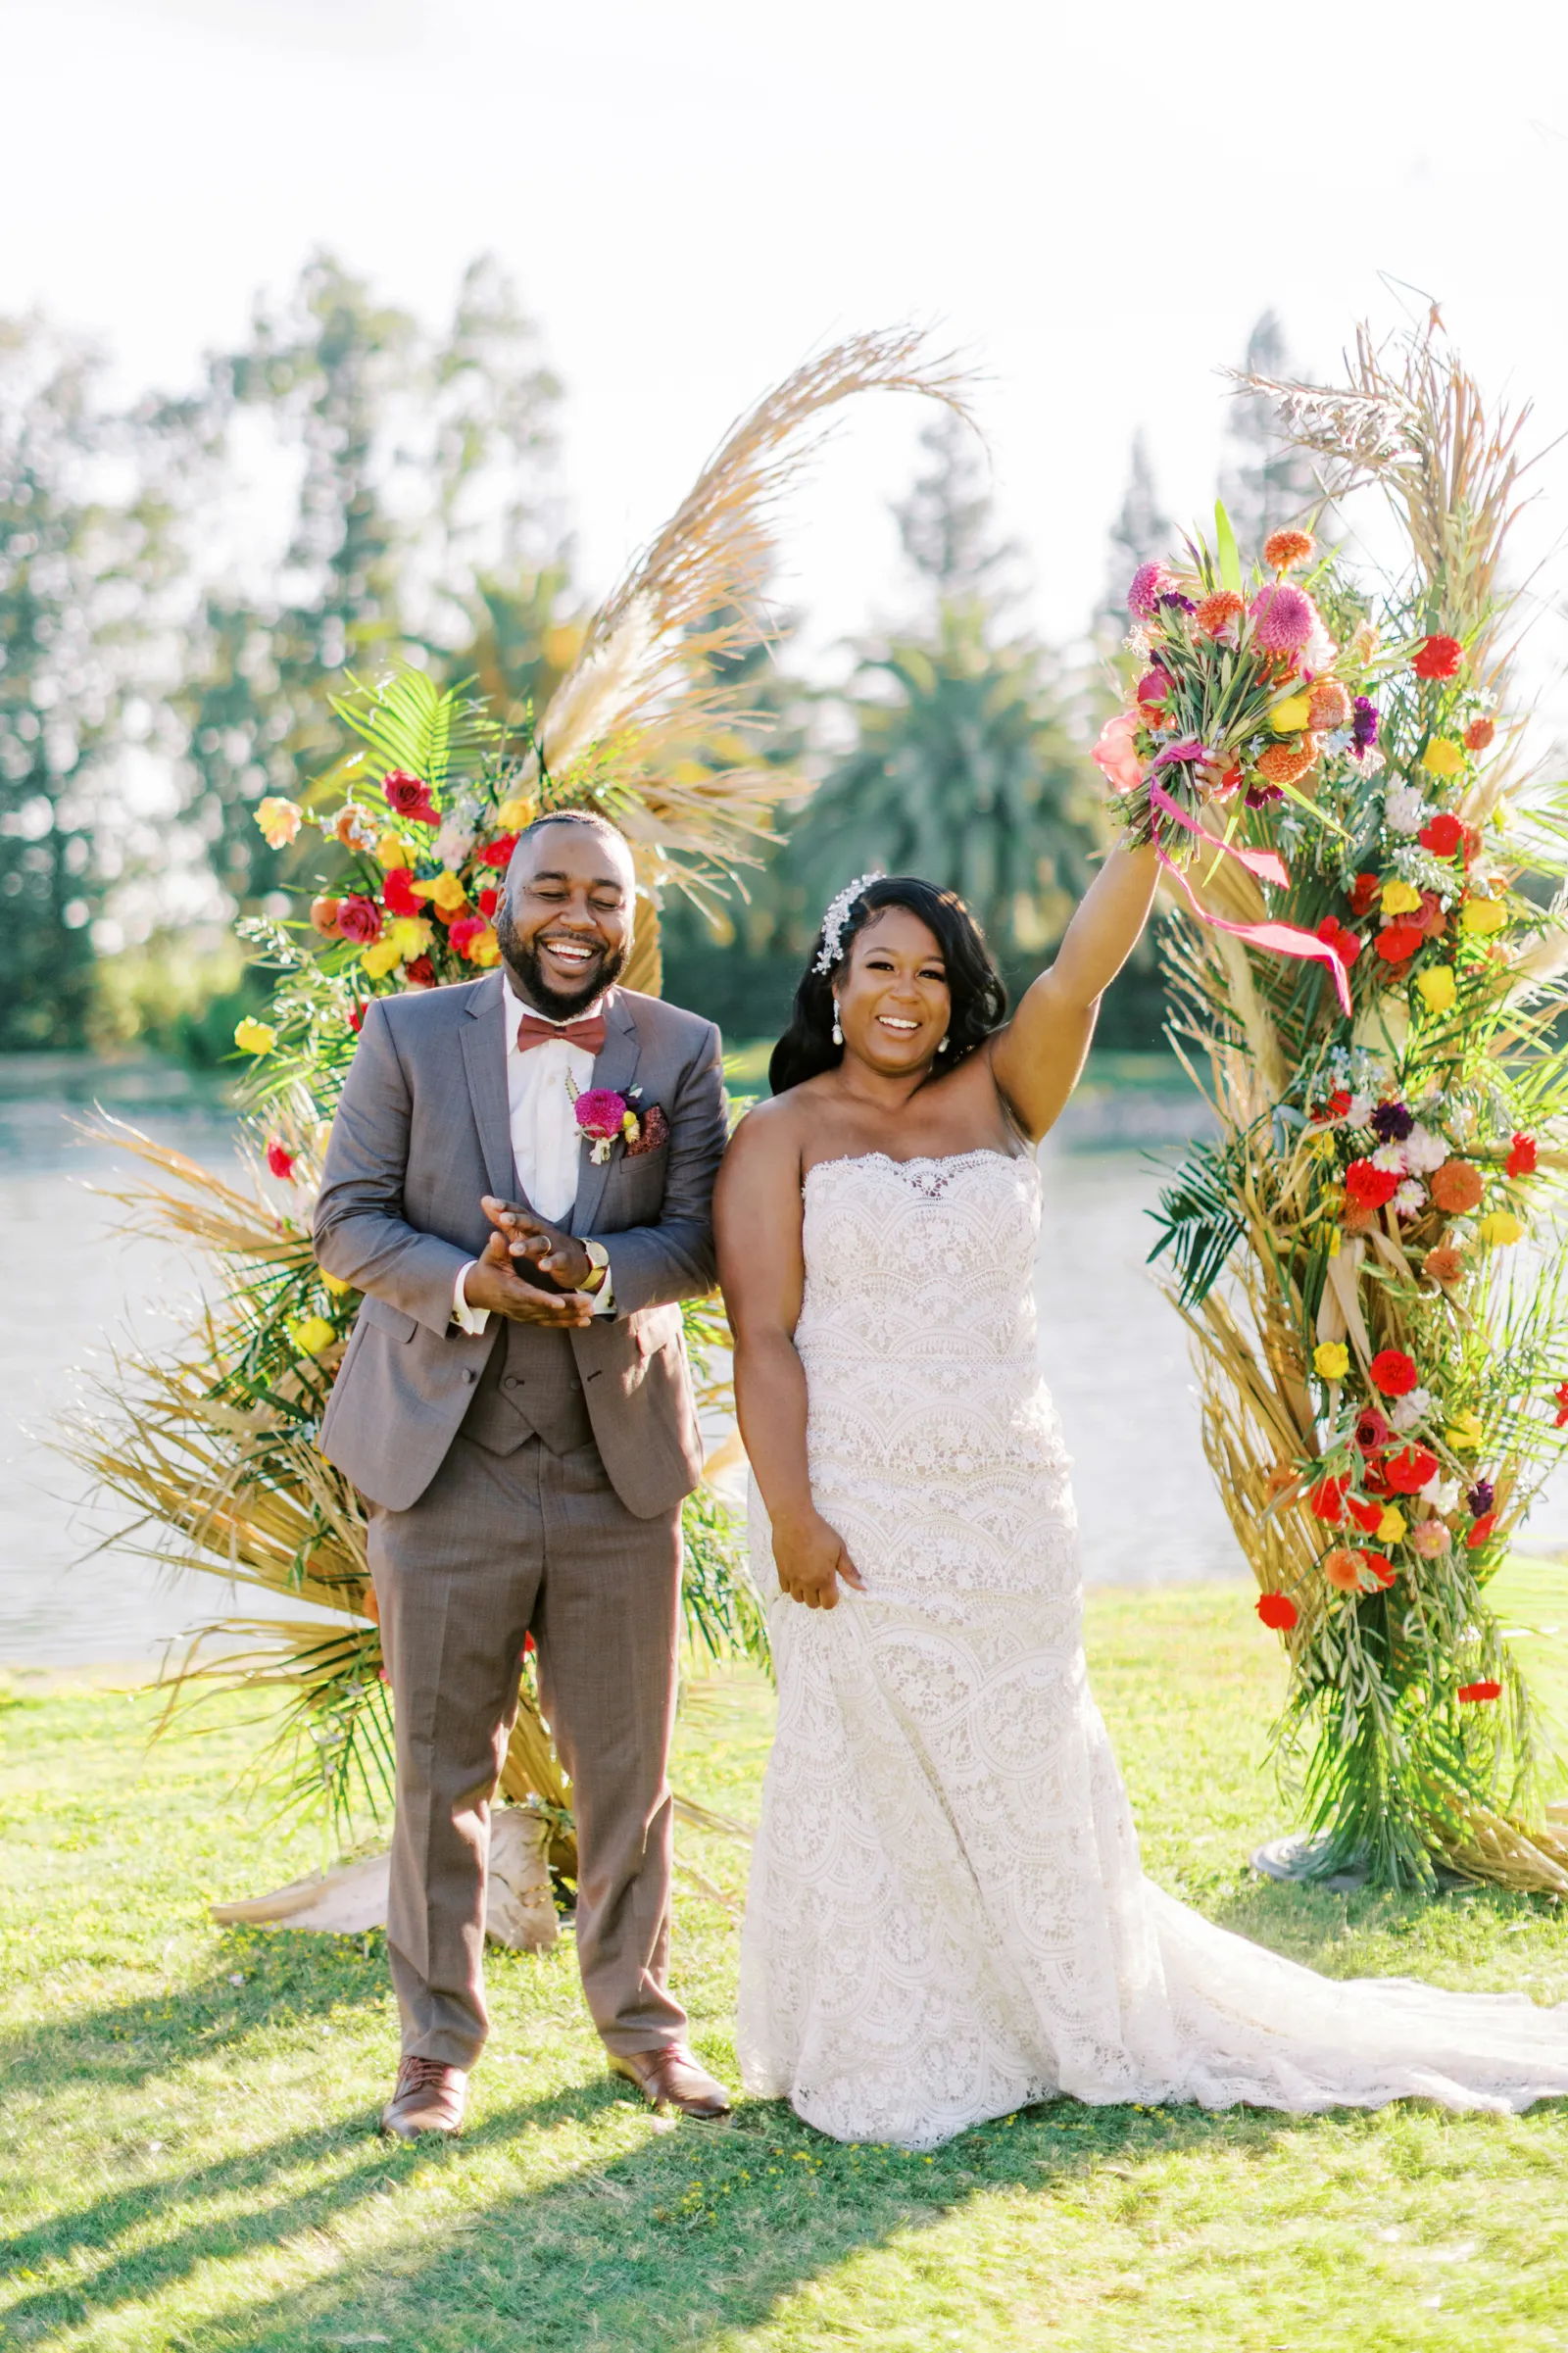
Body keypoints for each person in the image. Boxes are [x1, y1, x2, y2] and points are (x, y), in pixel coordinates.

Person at [714, 857, 1568, 2150]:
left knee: (1022, 1756)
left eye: (931, 973)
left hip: (1009, 1504)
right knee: (867, 1769)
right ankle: (903, 2029)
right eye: (879, 966)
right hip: (857, 1504)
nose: (904, 994)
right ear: (834, 983)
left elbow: (1082, 966)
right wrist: (792, 1513)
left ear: (957, 998)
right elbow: (764, 1342)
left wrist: (1154, 826)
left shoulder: (1006, 1091)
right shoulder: (778, 1136)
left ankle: (1063, 2011)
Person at [315, 809, 733, 2137]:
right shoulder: (407, 1034)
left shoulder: (683, 1052)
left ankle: (644, 2028)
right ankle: (435, 2050)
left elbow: (698, 1240)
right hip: (445, 1466)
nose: (577, 916)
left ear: (631, 915)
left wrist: (594, 1272)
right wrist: (471, 1282)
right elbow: (347, 1220)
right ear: (504, 901)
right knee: (441, 1772)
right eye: (551, 889)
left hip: (618, 1466)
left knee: (630, 1771)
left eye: (603, 897)